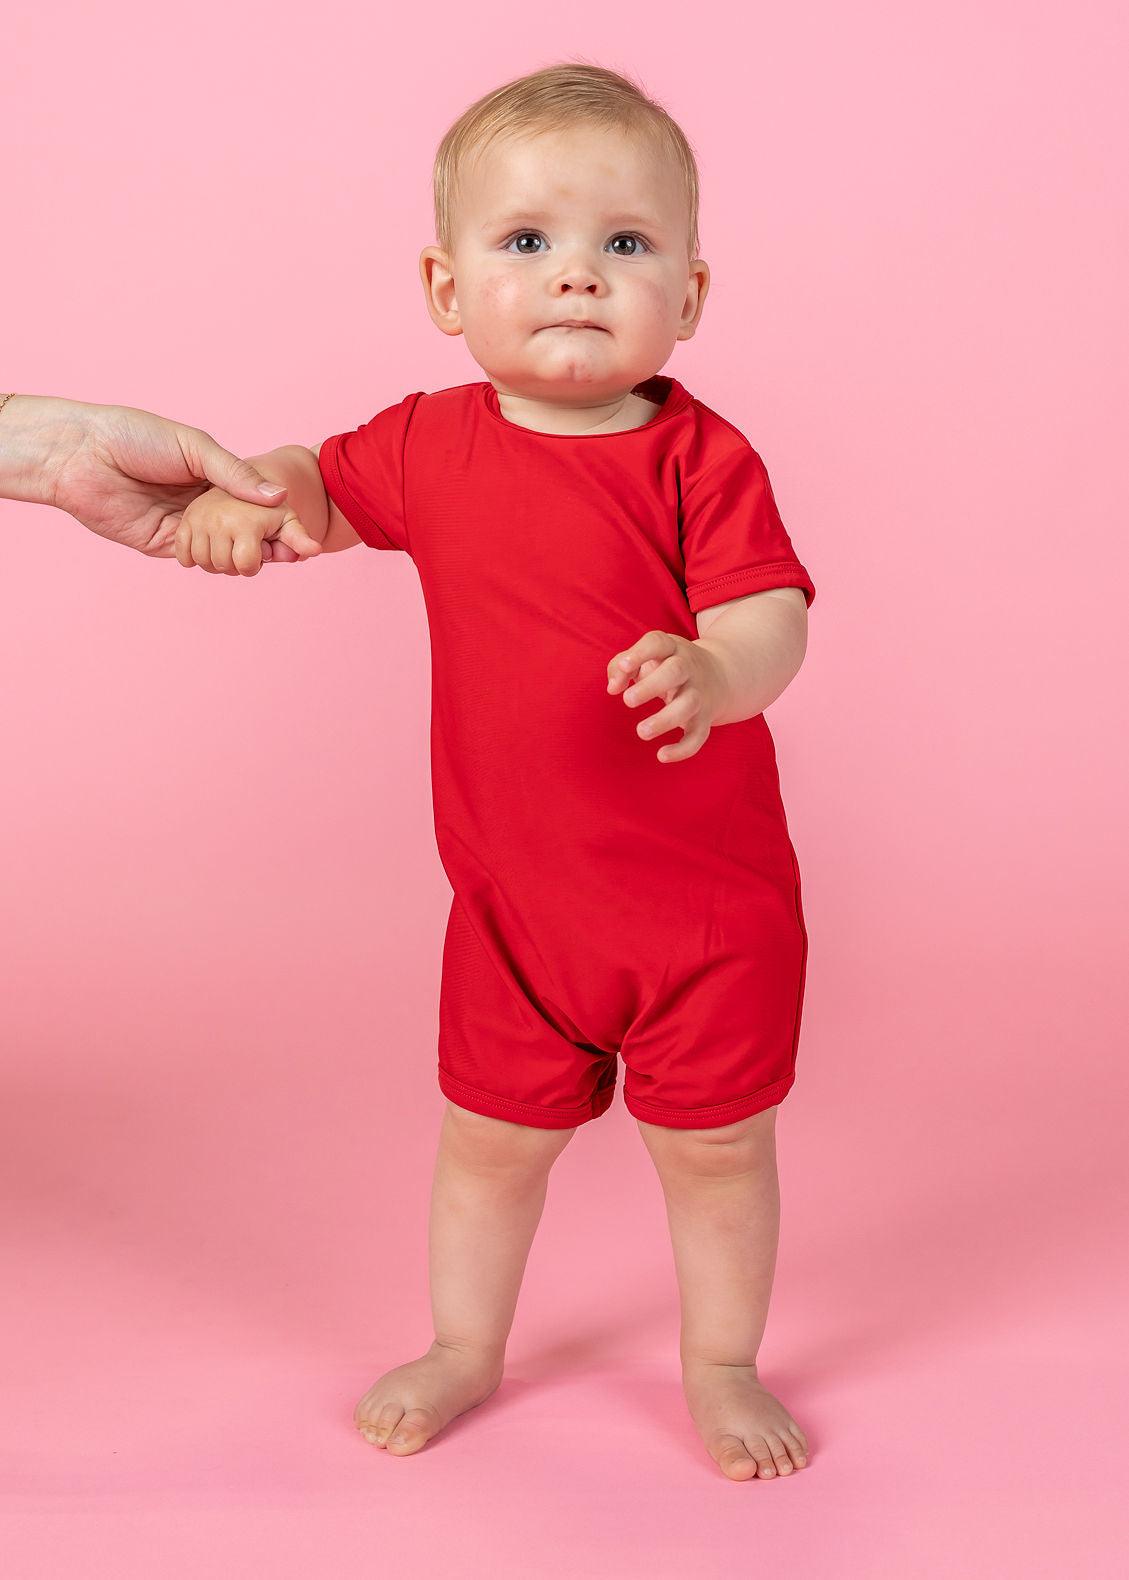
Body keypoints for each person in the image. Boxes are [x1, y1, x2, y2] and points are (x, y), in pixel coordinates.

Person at [1, 63, 815, 1482]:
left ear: (688, 294)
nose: (575, 276)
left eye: (624, 245)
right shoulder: (430, 440)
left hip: (704, 913)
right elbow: (310, 485)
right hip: (512, 916)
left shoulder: (701, 455)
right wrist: (237, 497)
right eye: (526, 244)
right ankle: (463, 1345)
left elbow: (770, 614)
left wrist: (718, 670)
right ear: (446, 290)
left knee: (714, 1154)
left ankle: (720, 1361)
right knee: (486, 1148)